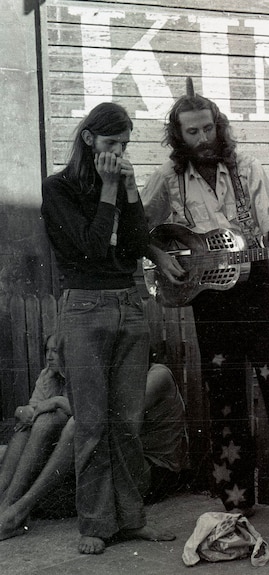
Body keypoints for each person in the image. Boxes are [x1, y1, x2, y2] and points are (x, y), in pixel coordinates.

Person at [141, 79, 269, 525]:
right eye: (193, 132)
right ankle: (235, 499)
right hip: (209, 296)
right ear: (178, 135)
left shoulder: (246, 167)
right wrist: (159, 255)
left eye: (209, 128)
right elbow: (139, 228)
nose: (204, 139)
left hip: (256, 284)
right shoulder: (167, 178)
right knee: (222, 393)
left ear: (219, 125)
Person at [40, 101, 174, 554]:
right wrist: (111, 190)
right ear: (89, 140)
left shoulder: (119, 183)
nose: (120, 152)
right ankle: (96, 525)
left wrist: (130, 190)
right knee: (93, 423)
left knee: (128, 424)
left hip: (128, 306)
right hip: (85, 308)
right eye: (112, 143)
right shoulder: (58, 188)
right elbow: (93, 250)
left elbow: (134, 247)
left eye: (125, 144)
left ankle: (133, 518)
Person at [0, 357, 189, 541]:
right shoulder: (116, 376)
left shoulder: (158, 375)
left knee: (78, 423)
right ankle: (5, 503)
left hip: (153, 472)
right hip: (117, 468)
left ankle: (17, 512)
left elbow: (107, 415)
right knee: (35, 423)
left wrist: (58, 401)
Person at [0, 335, 70, 514]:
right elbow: (33, 408)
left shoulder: (78, 374)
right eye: (47, 350)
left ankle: (11, 502)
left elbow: (84, 412)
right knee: (24, 428)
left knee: (45, 421)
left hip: (68, 445)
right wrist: (21, 411)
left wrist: (56, 401)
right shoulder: (47, 375)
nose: (49, 356)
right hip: (43, 442)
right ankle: (2, 493)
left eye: (55, 351)